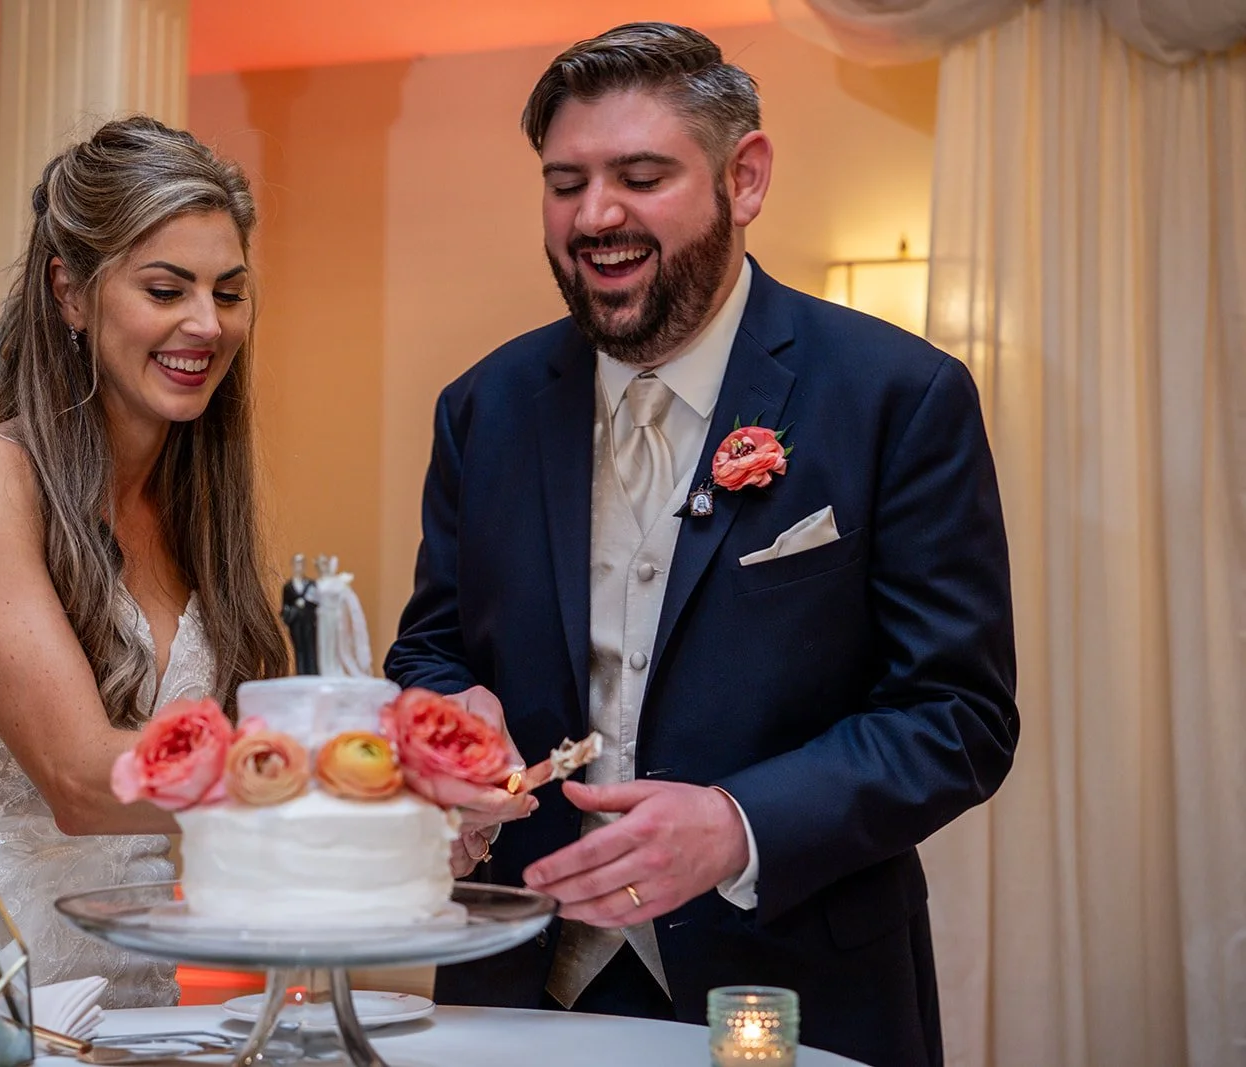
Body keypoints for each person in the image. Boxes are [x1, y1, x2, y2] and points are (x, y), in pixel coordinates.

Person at [385, 23, 1017, 1067]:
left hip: (790, 992)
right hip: (518, 988)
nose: (595, 216)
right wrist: (449, 717)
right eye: (565, 183)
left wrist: (739, 822)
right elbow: (431, 647)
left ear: (745, 177)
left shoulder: (896, 397)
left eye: (641, 177)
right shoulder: (483, 407)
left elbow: (958, 714)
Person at [0, 116, 286, 1009]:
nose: (207, 323)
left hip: (132, 996)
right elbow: (82, 780)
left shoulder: (200, 516)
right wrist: (331, 788)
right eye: (165, 289)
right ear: (71, 293)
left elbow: (207, 789)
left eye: (229, 292)